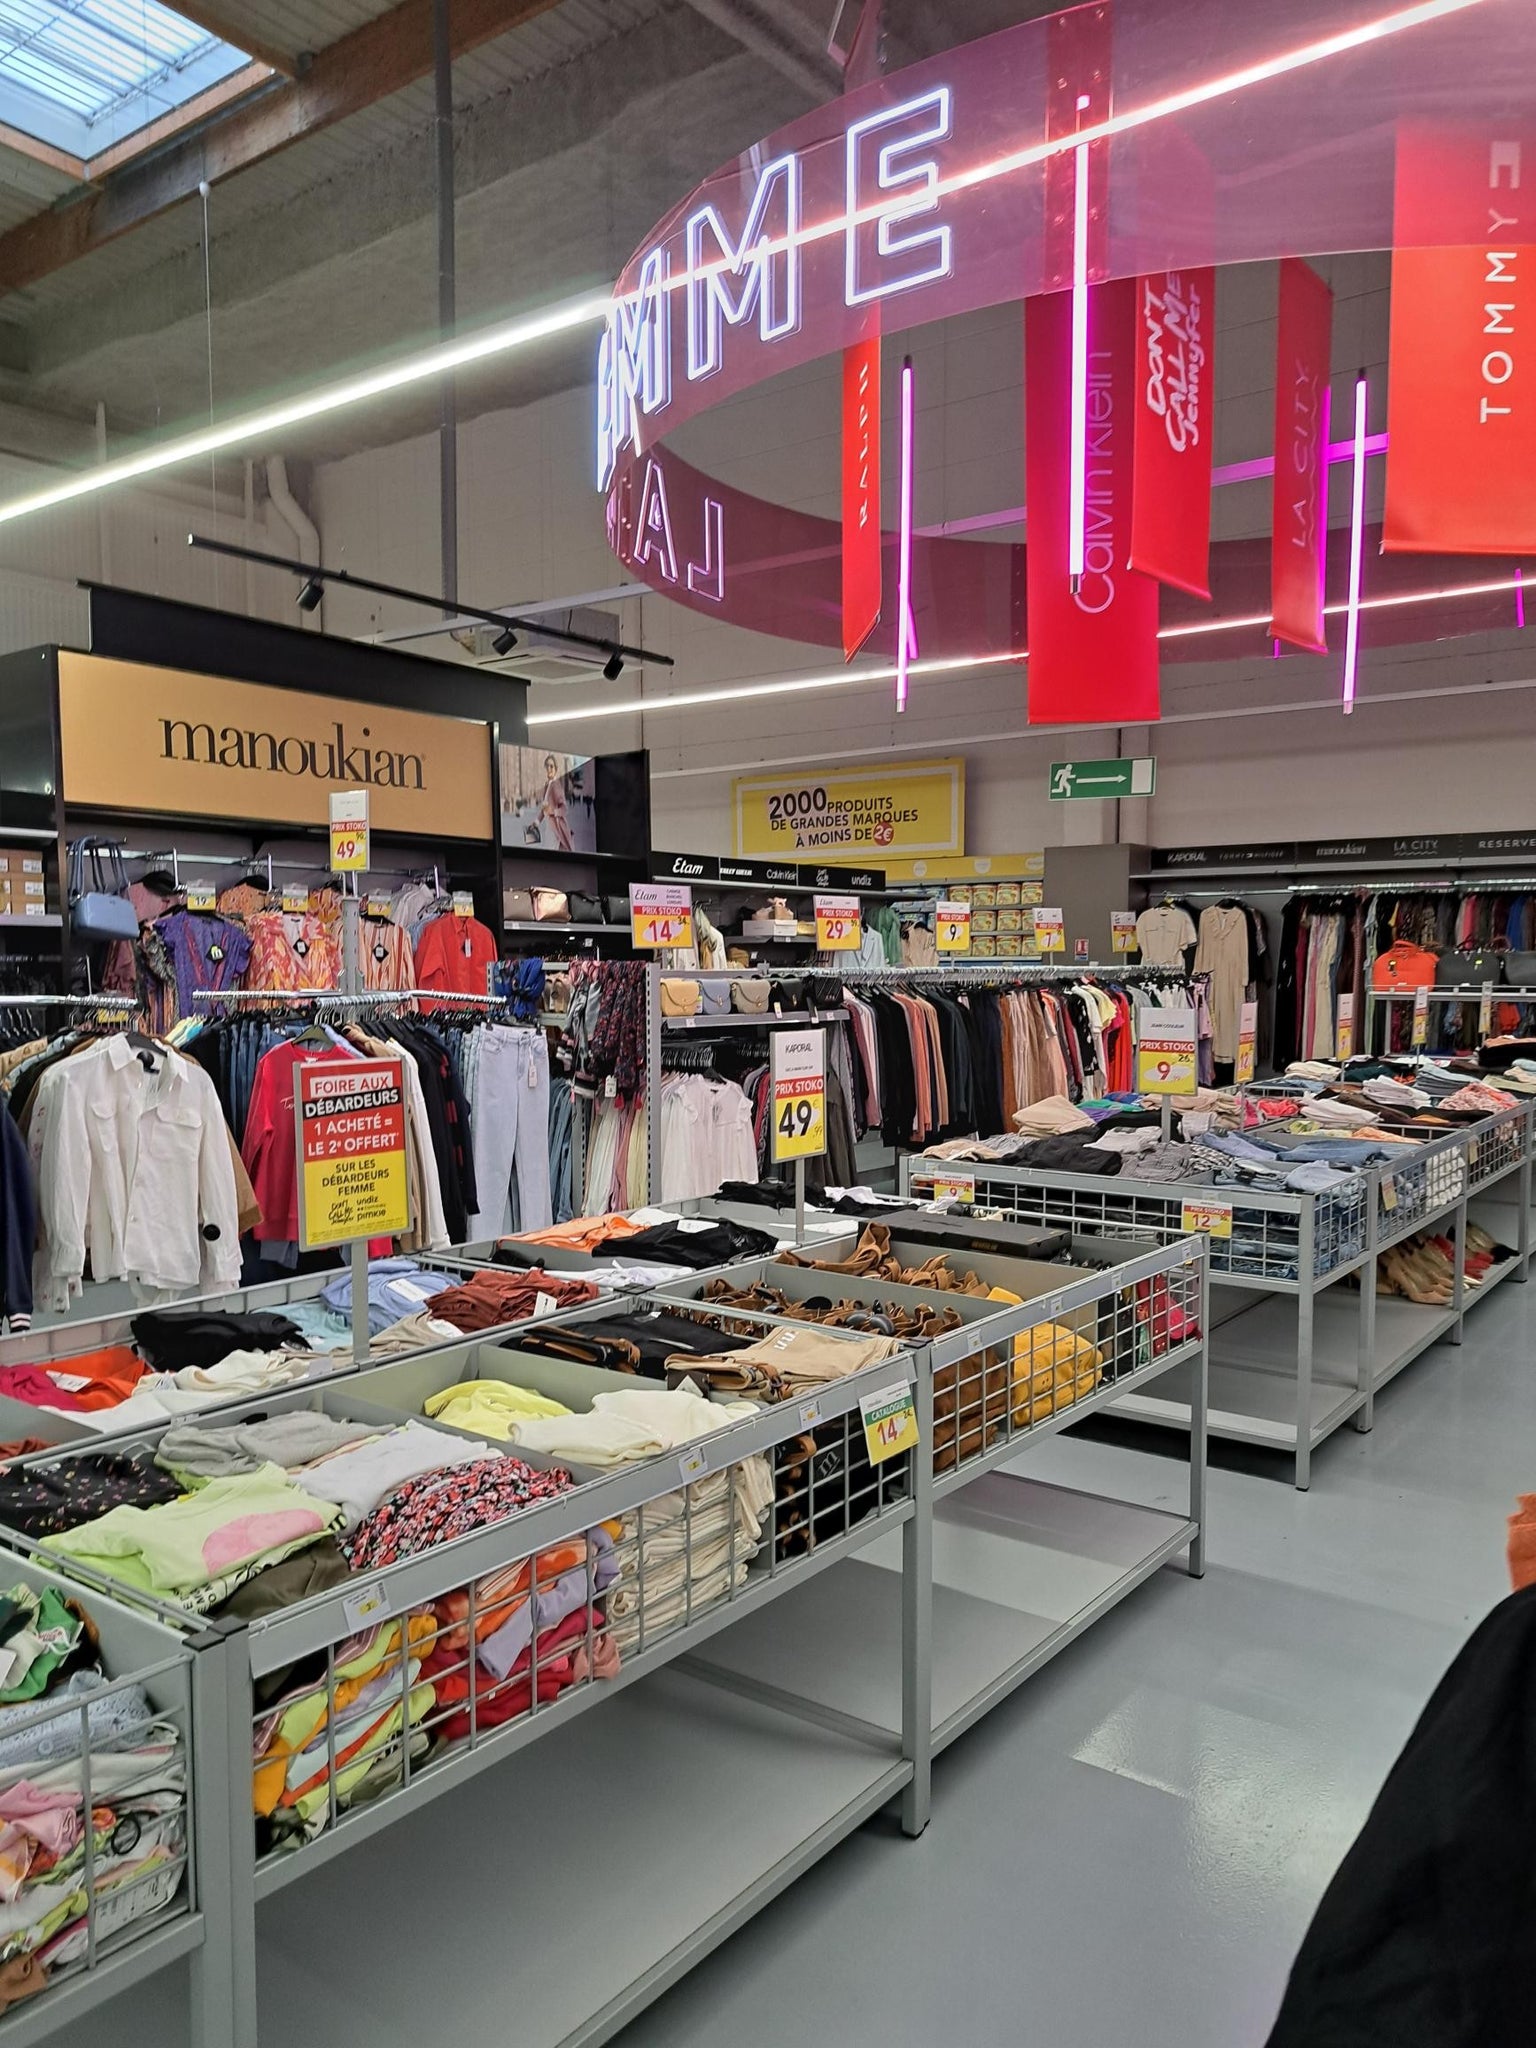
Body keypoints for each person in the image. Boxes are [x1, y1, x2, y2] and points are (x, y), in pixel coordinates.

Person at [539, 754, 573, 850]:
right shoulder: (547, 785)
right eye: (547, 766)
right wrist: (536, 822)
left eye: (551, 766)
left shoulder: (556, 785)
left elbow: (564, 809)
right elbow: (544, 809)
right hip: (548, 829)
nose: (549, 769)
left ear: (556, 769)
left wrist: (553, 811)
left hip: (555, 831)